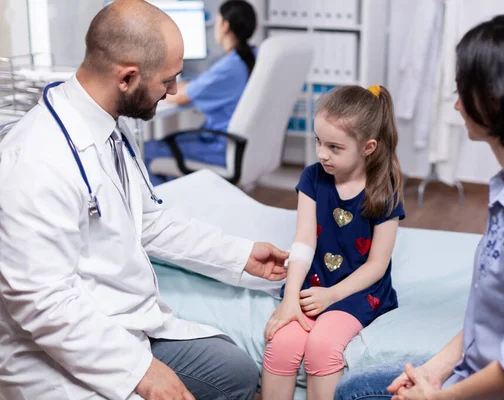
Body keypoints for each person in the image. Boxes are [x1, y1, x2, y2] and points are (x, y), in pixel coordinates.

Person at [0, 1, 288, 399]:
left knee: (236, 372)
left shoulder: (110, 126)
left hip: (122, 324)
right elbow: (44, 304)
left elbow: (148, 221)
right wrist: (142, 372)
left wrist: (240, 257)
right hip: (54, 353)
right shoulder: (34, 160)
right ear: (127, 77)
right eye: (168, 80)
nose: (172, 91)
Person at [334, 14, 504, 400]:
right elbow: (491, 317)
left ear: (492, 102)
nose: (456, 104)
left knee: (355, 395)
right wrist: (434, 370)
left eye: (463, 90)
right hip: (483, 369)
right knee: (357, 387)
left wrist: (436, 397)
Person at [261, 84, 407, 400]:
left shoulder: (384, 190)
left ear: (368, 147)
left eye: (334, 147)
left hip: (357, 290)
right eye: (318, 142)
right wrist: (289, 298)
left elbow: (377, 265)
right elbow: (303, 240)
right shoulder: (313, 178)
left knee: (323, 344)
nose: (322, 153)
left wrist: (332, 296)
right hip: (315, 282)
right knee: (282, 343)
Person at [144, 0, 257, 185]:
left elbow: (181, 97)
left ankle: (161, 208)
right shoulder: (253, 56)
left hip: (218, 148)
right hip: (238, 145)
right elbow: (195, 86)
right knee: (166, 150)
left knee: (145, 151)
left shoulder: (229, 67)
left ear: (225, 25)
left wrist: (148, 86)